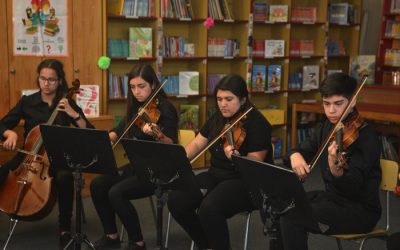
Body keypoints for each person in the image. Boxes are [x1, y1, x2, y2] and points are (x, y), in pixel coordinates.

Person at [167, 74, 274, 250]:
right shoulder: (218, 117)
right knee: (177, 200)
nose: (223, 104)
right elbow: (196, 144)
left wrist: (237, 157)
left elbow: (256, 160)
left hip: (245, 182)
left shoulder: (257, 123)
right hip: (216, 176)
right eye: (219, 99)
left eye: (229, 99)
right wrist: (176, 161)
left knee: (209, 208)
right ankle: (206, 243)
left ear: (243, 99)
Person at [281, 72, 381, 250]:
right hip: (333, 199)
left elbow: (354, 187)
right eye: (326, 104)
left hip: (360, 210)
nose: (331, 111)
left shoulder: (366, 136)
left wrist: (337, 172)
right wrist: (294, 154)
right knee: (280, 205)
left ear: (353, 102)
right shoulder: (326, 127)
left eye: (338, 104)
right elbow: (301, 149)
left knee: (294, 216)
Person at [0, 59, 94, 247]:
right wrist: (8, 132)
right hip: (27, 156)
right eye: (43, 78)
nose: (46, 83)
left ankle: (65, 228)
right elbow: (2, 124)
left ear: (59, 81)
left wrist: (72, 113)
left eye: (51, 79)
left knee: (65, 178)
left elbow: (89, 131)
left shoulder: (66, 103)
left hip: (58, 159)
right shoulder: (28, 102)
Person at [90, 64, 178, 250]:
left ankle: (137, 242)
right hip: (138, 166)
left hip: (159, 170)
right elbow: (120, 128)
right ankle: (111, 235)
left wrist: (158, 135)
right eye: (132, 87)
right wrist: (108, 138)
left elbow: (172, 145)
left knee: (116, 193)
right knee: (98, 185)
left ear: (153, 85)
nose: (136, 92)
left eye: (142, 86)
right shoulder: (137, 107)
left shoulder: (166, 109)